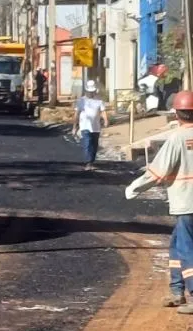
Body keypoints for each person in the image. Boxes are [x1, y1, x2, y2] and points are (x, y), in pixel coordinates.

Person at [125, 90, 193, 312]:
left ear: (177, 114)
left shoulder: (176, 139)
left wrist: (134, 188)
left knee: (186, 249)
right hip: (186, 204)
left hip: (186, 203)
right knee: (176, 245)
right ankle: (177, 290)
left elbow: (157, 173)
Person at [72, 80, 109, 171]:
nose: (91, 93)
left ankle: (91, 161)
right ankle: (88, 163)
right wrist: (74, 127)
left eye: (93, 91)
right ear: (86, 91)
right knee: (87, 143)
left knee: (94, 145)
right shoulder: (81, 101)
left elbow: (103, 111)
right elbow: (76, 114)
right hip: (85, 126)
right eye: (90, 91)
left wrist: (106, 120)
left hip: (96, 127)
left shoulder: (99, 100)